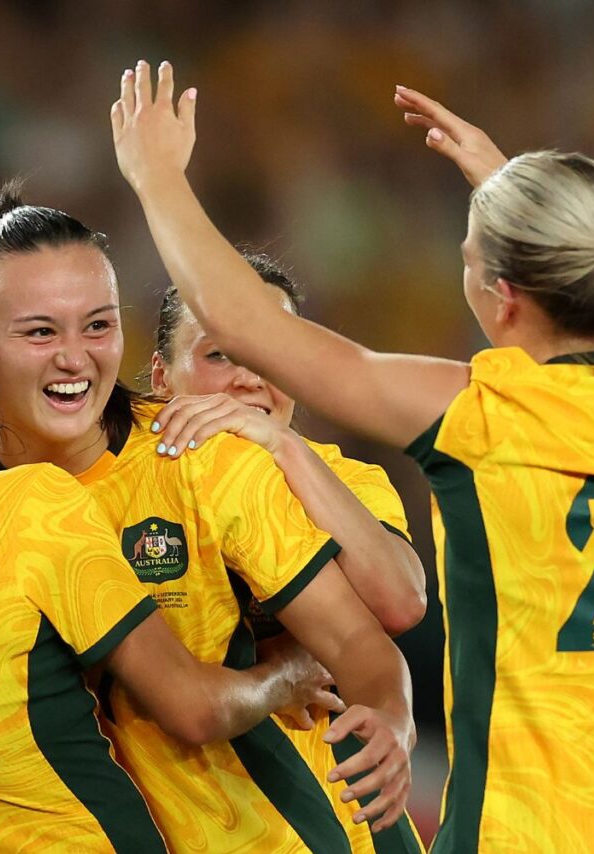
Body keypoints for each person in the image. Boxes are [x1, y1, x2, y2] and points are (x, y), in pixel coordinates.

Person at [111, 60, 594, 852]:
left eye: (466, 258)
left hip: (527, 831)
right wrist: (509, 190)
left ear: (504, 296)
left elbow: (246, 327)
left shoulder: (483, 415)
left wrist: (158, 180)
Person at [0, 186, 417, 851]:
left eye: (98, 324)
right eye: (40, 331)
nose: (74, 357)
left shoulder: (201, 462)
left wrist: (391, 720)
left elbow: (360, 647)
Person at [148, 255, 427, 852]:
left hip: (337, 809)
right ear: (160, 377)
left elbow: (401, 601)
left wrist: (282, 445)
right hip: (191, 814)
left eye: (270, 353)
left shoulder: (349, 479)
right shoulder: (113, 486)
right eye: (219, 354)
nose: (249, 377)